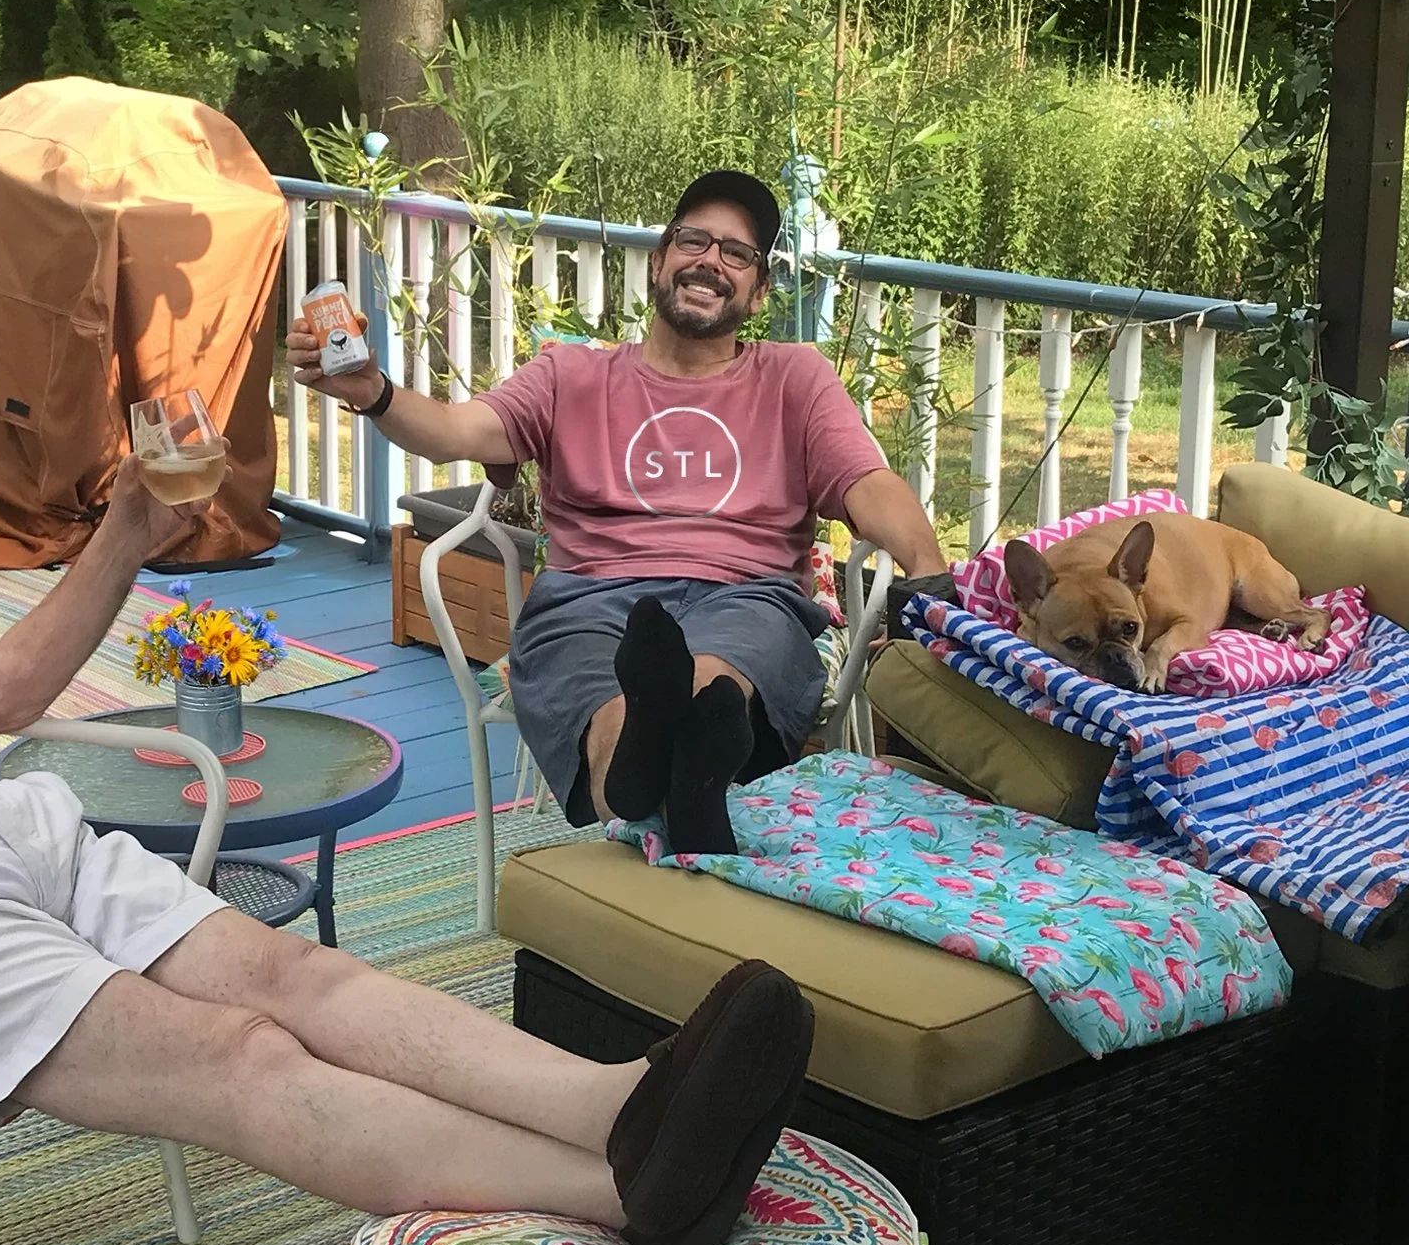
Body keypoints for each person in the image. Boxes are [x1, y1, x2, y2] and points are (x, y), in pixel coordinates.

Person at [0, 357, 815, 1245]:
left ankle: (615, 1100)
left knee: (291, 972)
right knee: (237, 1058)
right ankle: (632, 1191)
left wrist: (126, 525)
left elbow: (1, 684)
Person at [291, 169, 945, 854]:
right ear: (659, 261)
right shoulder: (571, 375)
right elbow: (458, 431)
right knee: (601, 685)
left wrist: (928, 573)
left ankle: (664, 762)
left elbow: (867, 484)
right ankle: (677, 782)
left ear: (757, 294)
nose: (711, 261)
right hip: (589, 598)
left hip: (746, 593)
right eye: (694, 240)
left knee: (728, 658)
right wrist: (372, 390)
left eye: (737, 253)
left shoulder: (795, 378)